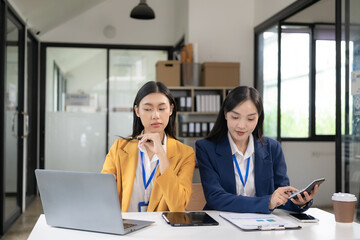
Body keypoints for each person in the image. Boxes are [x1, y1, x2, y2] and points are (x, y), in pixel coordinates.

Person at [196, 86, 319, 213]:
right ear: (225, 115)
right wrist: (267, 202)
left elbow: (281, 197)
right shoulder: (206, 148)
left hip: (261, 225)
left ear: (258, 118)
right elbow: (215, 197)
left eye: (250, 119)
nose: (241, 125)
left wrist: (298, 202)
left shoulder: (273, 148)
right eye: (235, 117)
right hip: (221, 223)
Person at [102, 81, 195, 212]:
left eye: (162, 109)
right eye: (148, 109)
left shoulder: (185, 153)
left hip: (163, 230)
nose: (155, 115)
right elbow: (102, 194)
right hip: (126, 228)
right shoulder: (119, 148)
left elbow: (178, 206)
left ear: (171, 110)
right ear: (137, 111)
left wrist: (162, 155)